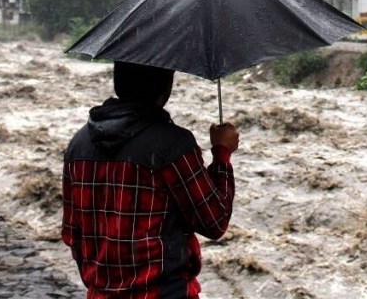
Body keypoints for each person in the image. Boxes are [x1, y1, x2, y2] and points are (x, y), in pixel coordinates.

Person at [62, 61, 239, 298]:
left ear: (118, 81)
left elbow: (72, 234)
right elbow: (214, 221)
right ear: (165, 87)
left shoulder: (78, 145)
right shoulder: (173, 146)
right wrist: (222, 154)